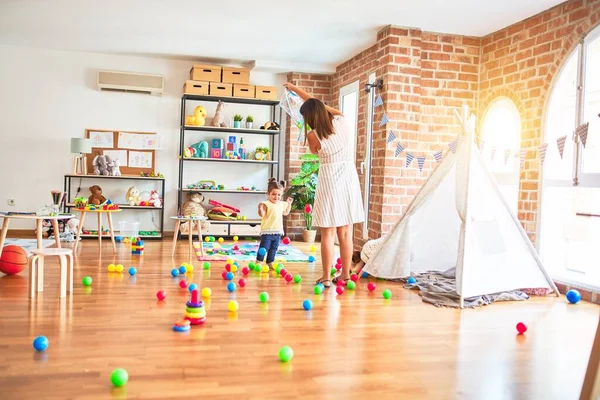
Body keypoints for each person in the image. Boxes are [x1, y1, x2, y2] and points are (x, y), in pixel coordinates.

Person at [284, 83, 365, 288]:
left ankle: (326, 277)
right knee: (345, 233)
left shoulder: (313, 136)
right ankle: (345, 276)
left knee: (328, 233)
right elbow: (319, 106)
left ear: (310, 118)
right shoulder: (341, 121)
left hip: (330, 180)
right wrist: (297, 89)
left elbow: (313, 151)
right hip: (348, 178)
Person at [256, 178, 293, 268]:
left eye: (279, 195)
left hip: (278, 231)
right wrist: (260, 209)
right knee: (264, 248)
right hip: (267, 231)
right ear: (268, 194)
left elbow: (285, 213)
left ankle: (270, 261)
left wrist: (289, 204)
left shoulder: (281, 204)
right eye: (273, 194)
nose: (276, 197)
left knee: (274, 248)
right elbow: (262, 214)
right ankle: (259, 261)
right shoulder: (266, 203)